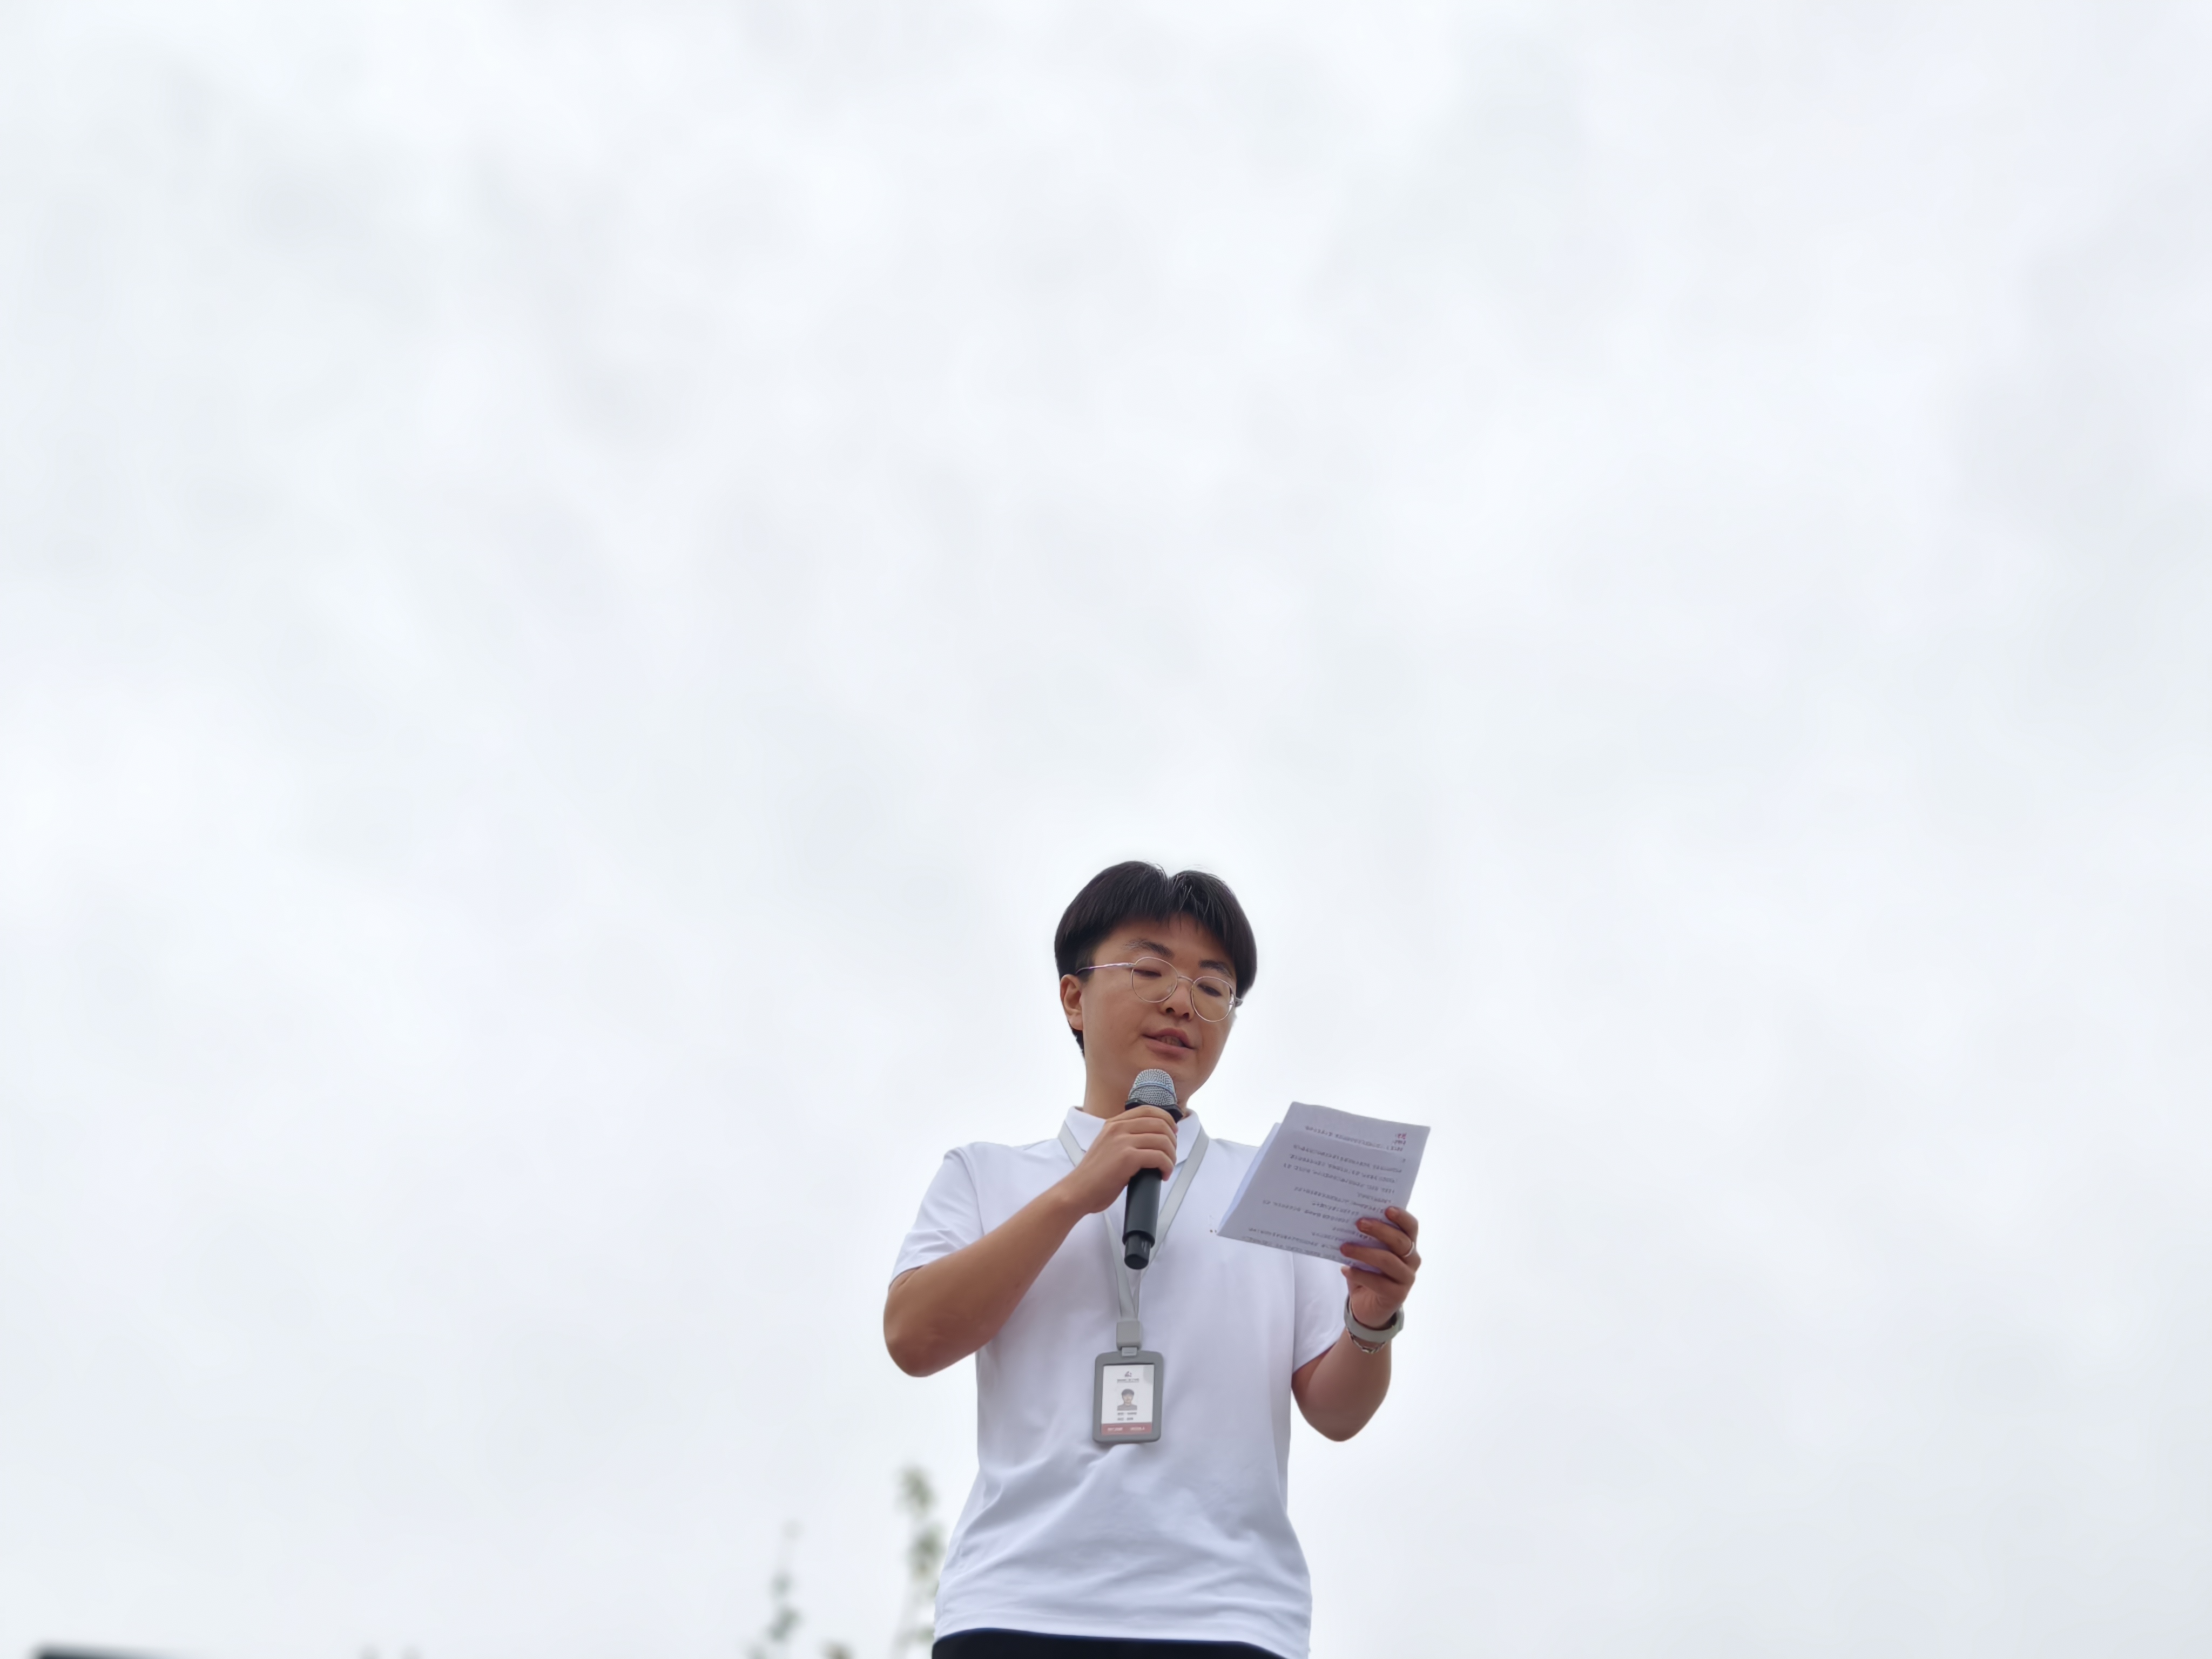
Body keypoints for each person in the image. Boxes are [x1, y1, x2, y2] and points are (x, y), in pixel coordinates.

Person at [884, 861, 1424, 1659]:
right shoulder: (985, 1174)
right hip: (1016, 1605)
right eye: (1149, 970)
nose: (1182, 1003)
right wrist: (1076, 1193)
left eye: (1214, 987)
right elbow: (914, 1338)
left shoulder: (1277, 1183)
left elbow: (1337, 1413)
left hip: (1230, 1615)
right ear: (1073, 997)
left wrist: (1370, 1322)